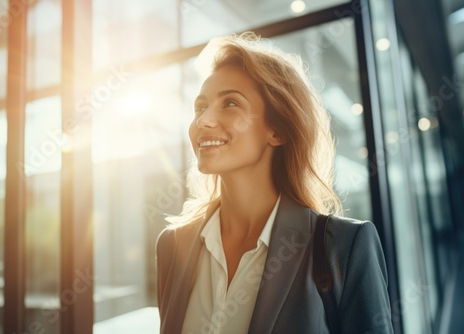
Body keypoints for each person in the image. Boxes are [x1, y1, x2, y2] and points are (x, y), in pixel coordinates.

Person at [156, 32, 393, 334]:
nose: (203, 121)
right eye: (200, 107)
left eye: (230, 103)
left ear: (277, 132)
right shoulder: (173, 246)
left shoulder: (344, 245)